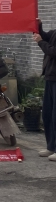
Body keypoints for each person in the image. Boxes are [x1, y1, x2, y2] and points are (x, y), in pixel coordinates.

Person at [33, 19, 56, 161]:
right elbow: (45, 36)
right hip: (50, 78)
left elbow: (53, 51)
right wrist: (37, 26)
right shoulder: (55, 33)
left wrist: (40, 42)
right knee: (48, 114)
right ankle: (51, 147)